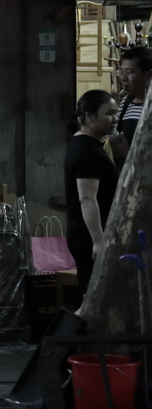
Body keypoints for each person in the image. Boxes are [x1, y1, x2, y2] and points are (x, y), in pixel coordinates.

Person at [65, 90, 119, 295]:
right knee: (95, 296)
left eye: (116, 113)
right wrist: (98, 240)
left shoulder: (86, 144)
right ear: (89, 116)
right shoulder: (87, 151)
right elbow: (87, 198)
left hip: (87, 233)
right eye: (109, 113)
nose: (115, 119)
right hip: (89, 236)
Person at [109, 46, 152, 165]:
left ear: (148, 75)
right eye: (121, 71)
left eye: (129, 72)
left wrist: (126, 153)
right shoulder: (125, 103)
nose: (123, 78)